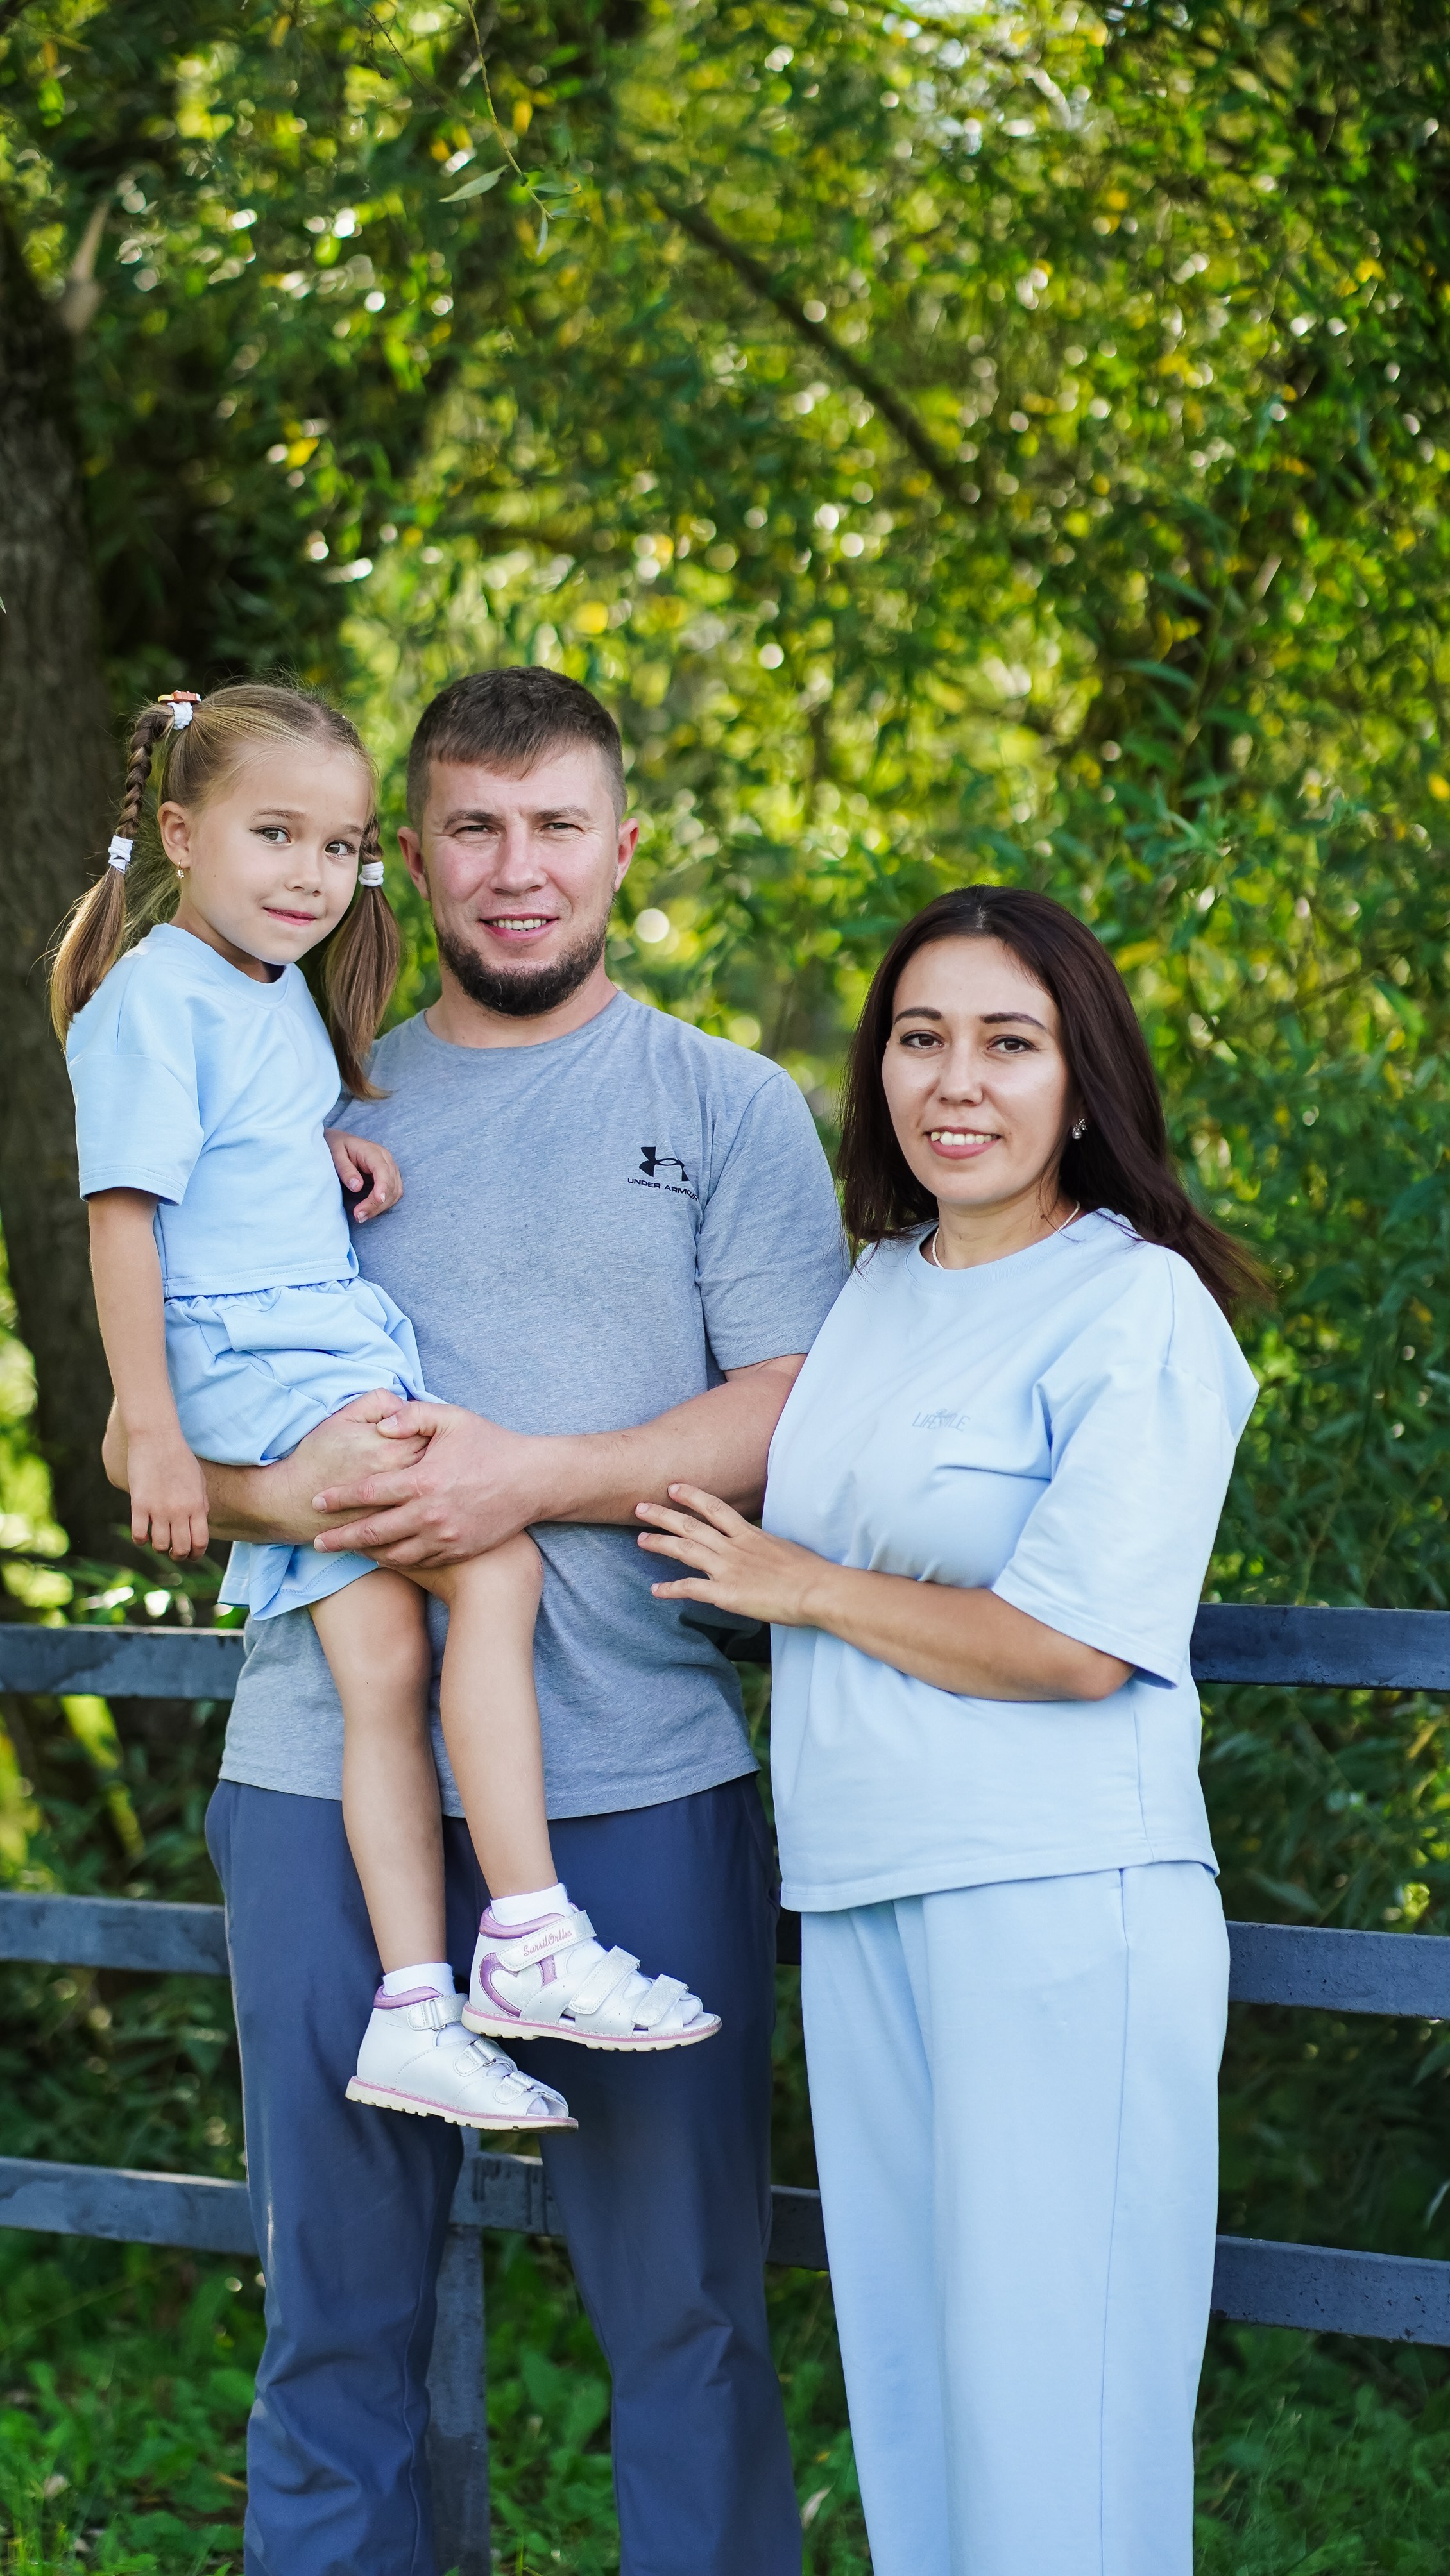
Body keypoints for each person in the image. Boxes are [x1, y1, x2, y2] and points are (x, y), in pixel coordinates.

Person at [101, 666, 845, 2576]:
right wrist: (307, 1495)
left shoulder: (726, 1103)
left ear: (619, 845)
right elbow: (166, 1413)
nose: (516, 872)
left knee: (682, 2320)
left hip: (630, 1778)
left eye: (556, 827)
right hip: (314, 1771)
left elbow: (782, 1415)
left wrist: (524, 1479)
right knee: (333, 2321)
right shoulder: (297, 1073)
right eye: (471, 830)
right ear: (402, 857)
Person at [636, 885, 1264, 2576]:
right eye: (920, 1039)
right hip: (860, 1891)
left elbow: (1071, 1649)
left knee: (1058, 2405)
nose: (954, 1082)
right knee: (916, 2401)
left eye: (1006, 1041)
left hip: (1060, 1906)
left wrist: (801, 1585)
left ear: (1082, 1080)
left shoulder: (1136, 1311)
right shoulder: (871, 1292)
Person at [55, 679, 713, 2139]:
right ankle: (529, 1930)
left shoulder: (266, 993)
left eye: (336, 847)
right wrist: (154, 1426)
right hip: (265, 1360)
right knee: (495, 1562)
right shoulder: (154, 996)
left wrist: (328, 1162)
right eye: (272, 834)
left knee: (381, 1679)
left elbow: (236, 1159)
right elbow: (122, 1222)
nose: (307, 873)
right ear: (179, 831)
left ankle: (417, 2002)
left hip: (300, 1332)